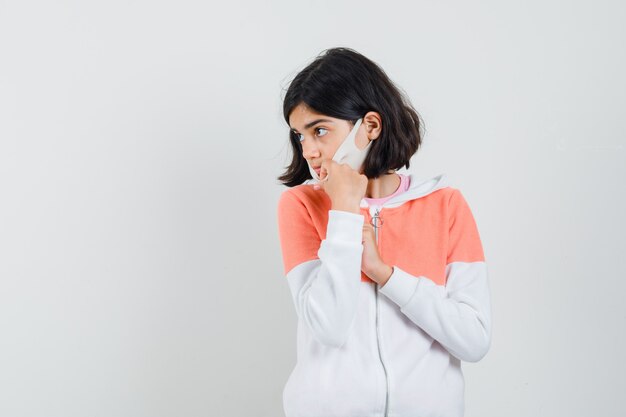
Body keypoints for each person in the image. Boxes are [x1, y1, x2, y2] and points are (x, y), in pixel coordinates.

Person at [276, 47, 492, 417]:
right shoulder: (300, 205)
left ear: (370, 127)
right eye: (300, 136)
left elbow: (473, 340)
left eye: (320, 131)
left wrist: (384, 274)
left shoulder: (446, 205)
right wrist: (343, 212)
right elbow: (329, 327)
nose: (309, 150)